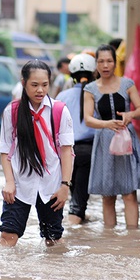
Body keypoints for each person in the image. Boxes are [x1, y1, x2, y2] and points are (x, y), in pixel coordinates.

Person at [0, 60, 74, 247]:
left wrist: (65, 185)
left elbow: (67, 151)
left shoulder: (59, 111)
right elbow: (5, 148)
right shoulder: (12, 111)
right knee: (8, 236)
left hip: (51, 185)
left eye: (45, 85)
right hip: (20, 184)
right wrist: (9, 181)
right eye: (34, 85)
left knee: (54, 240)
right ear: (23, 83)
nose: (40, 90)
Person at [83, 44, 140, 229]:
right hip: (104, 142)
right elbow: (88, 119)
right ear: (96, 64)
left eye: (109, 61)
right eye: (101, 61)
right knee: (108, 194)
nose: (105, 65)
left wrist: (130, 115)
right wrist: (106, 124)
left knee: (129, 192)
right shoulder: (90, 89)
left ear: (115, 62)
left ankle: (133, 239)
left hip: (126, 140)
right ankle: (110, 239)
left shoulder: (127, 84)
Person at [56, 53, 97, 225]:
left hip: (66, 152)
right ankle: (76, 217)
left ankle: (76, 217)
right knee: (79, 198)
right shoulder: (97, 94)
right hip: (88, 150)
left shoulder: (61, 97)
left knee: (73, 193)